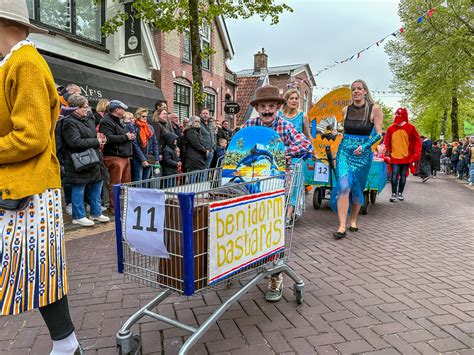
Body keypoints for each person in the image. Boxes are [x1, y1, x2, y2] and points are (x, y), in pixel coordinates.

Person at [0, 1, 82, 353]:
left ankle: (67, 344)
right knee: (39, 268)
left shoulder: (25, 63)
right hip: (24, 185)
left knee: (36, 267)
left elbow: (30, 137)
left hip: (29, 187)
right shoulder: (16, 63)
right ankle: (67, 344)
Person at [243, 85, 312, 303]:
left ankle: (276, 276)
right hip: (253, 186)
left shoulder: (284, 126)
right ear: (257, 108)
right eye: (262, 106)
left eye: (271, 106)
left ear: (277, 107)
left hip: (278, 186)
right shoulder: (250, 125)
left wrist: (279, 153)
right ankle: (251, 263)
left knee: (274, 229)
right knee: (251, 226)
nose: (266, 110)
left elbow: (306, 145)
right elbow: (238, 146)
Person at [330, 79, 382, 239]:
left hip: (363, 155)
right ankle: (341, 226)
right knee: (344, 186)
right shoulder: (345, 110)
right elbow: (344, 132)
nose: (356, 91)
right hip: (344, 152)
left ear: (365, 91)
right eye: (353, 89)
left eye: (359, 89)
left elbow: (379, 133)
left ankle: (353, 220)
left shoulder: (375, 109)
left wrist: (366, 146)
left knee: (357, 187)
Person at [61, 96, 109, 226]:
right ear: (76, 109)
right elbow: (75, 142)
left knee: (96, 185)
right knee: (79, 187)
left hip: (93, 158)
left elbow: (91, 135)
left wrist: (98, 137)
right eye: (85, 106)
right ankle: (78, 216)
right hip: (79, 161)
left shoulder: (88, 119)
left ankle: (96, 213)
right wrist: (96, 141)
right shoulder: (68, 122)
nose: (87, 109)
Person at [99, 100, 135, 210]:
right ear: (117, 109)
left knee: (125, 184)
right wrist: (126, 137)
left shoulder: (117, 121)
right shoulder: (106, 121)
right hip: (114, 156)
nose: (124, 111)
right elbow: (107, 138)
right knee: (116, 184)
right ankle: (114, 207)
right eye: (122, 109)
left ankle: (123, 207)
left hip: (123, 156)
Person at [383, 107, 421, 201]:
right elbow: (386, 141)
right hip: (394, 156)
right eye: (396, 115)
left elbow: (417, 141)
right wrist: (384, 150)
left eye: (399, 115)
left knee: (403, 175)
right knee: (394, 174)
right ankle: (393, 193)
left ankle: (400, 193)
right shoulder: (391, 128)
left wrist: (416, 154)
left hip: (406, 156)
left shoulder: (411, 128)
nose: (397, 117)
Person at [130, 108, 159, 181]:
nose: (145, 118)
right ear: (138, 116)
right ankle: (138, 193)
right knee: (138, 179)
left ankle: (144, 193)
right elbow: (135, 145)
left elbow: (155, 143)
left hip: (149, 156)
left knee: (146, 179)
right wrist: (143, 159)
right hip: (138, 158)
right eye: (143, 116)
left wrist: (156, 158)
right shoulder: (133, 127)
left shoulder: (150, 127)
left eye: (146, 116)